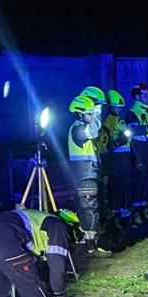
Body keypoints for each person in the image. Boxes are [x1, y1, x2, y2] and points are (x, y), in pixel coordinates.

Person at [67, 94, 109, 254]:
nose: (91, 116)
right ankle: (92, 247)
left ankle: (87, 242)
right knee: (89, 208)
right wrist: (97, 114)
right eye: (89, 113)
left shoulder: (79, 127)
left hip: (87, 173)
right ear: (79, 114)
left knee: (87, 208)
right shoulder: (78, 129)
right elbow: (93, 131)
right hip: (84, 175)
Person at [127, 83, 148, 222]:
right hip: (138, 149)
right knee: (138, 181)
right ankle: (136, 212)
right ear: (137, 96)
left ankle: (145, 210)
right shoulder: (133, 112)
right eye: (145, 95)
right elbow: (133, 131)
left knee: (147, 181)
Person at [105, 90, 134, 227]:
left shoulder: (121, 120)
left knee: (127, 185)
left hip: (125, 157)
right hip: (115, 158)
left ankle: (125, 215)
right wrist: (117, 141)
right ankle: (115, 218)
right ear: (110, 107)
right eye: (117, 107)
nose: (119, 110)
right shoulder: (107, 121)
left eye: (120, 108)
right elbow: (106, 142)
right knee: (116, 187)